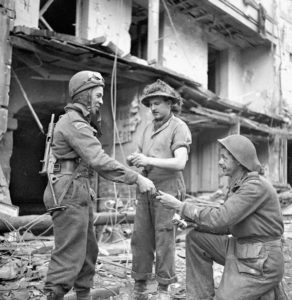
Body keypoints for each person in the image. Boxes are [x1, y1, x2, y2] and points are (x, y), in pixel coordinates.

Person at [43, 70, 156, 300]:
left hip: (76, 189)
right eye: (98, 95)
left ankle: (83, 295)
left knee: (88, 250)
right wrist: (136, 177)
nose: (101, 100)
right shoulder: (74, 123)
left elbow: (85, 163)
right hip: (68, 192)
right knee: (69, 253)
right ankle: (53, 295)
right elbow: (99, 160)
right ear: (84, 95)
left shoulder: (79, 123)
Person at [156, 134, 285, 300]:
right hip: (245, 250)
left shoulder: (254, 186)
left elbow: (220, 218)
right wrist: (193, 224)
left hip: (262, 258)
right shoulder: (238, 185)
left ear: (238, 161)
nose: (219, 162)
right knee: (196, 239)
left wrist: (180, 206)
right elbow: (226, 225)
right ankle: (200, 296)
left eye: (224, 158)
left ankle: (263, 288)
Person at [127, 79, 192, 299]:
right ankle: (140, 285)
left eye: (157, 103)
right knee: (141, 236)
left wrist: (149, 160)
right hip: (146, 187)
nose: (153, 108)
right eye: (150, 104)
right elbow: (141, 153)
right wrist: (136, 159)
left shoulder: (178, 127)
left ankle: (164, 288)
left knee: (164, 237)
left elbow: (179, 163)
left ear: (169, 103)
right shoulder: (147, 129)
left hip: (168, 188)